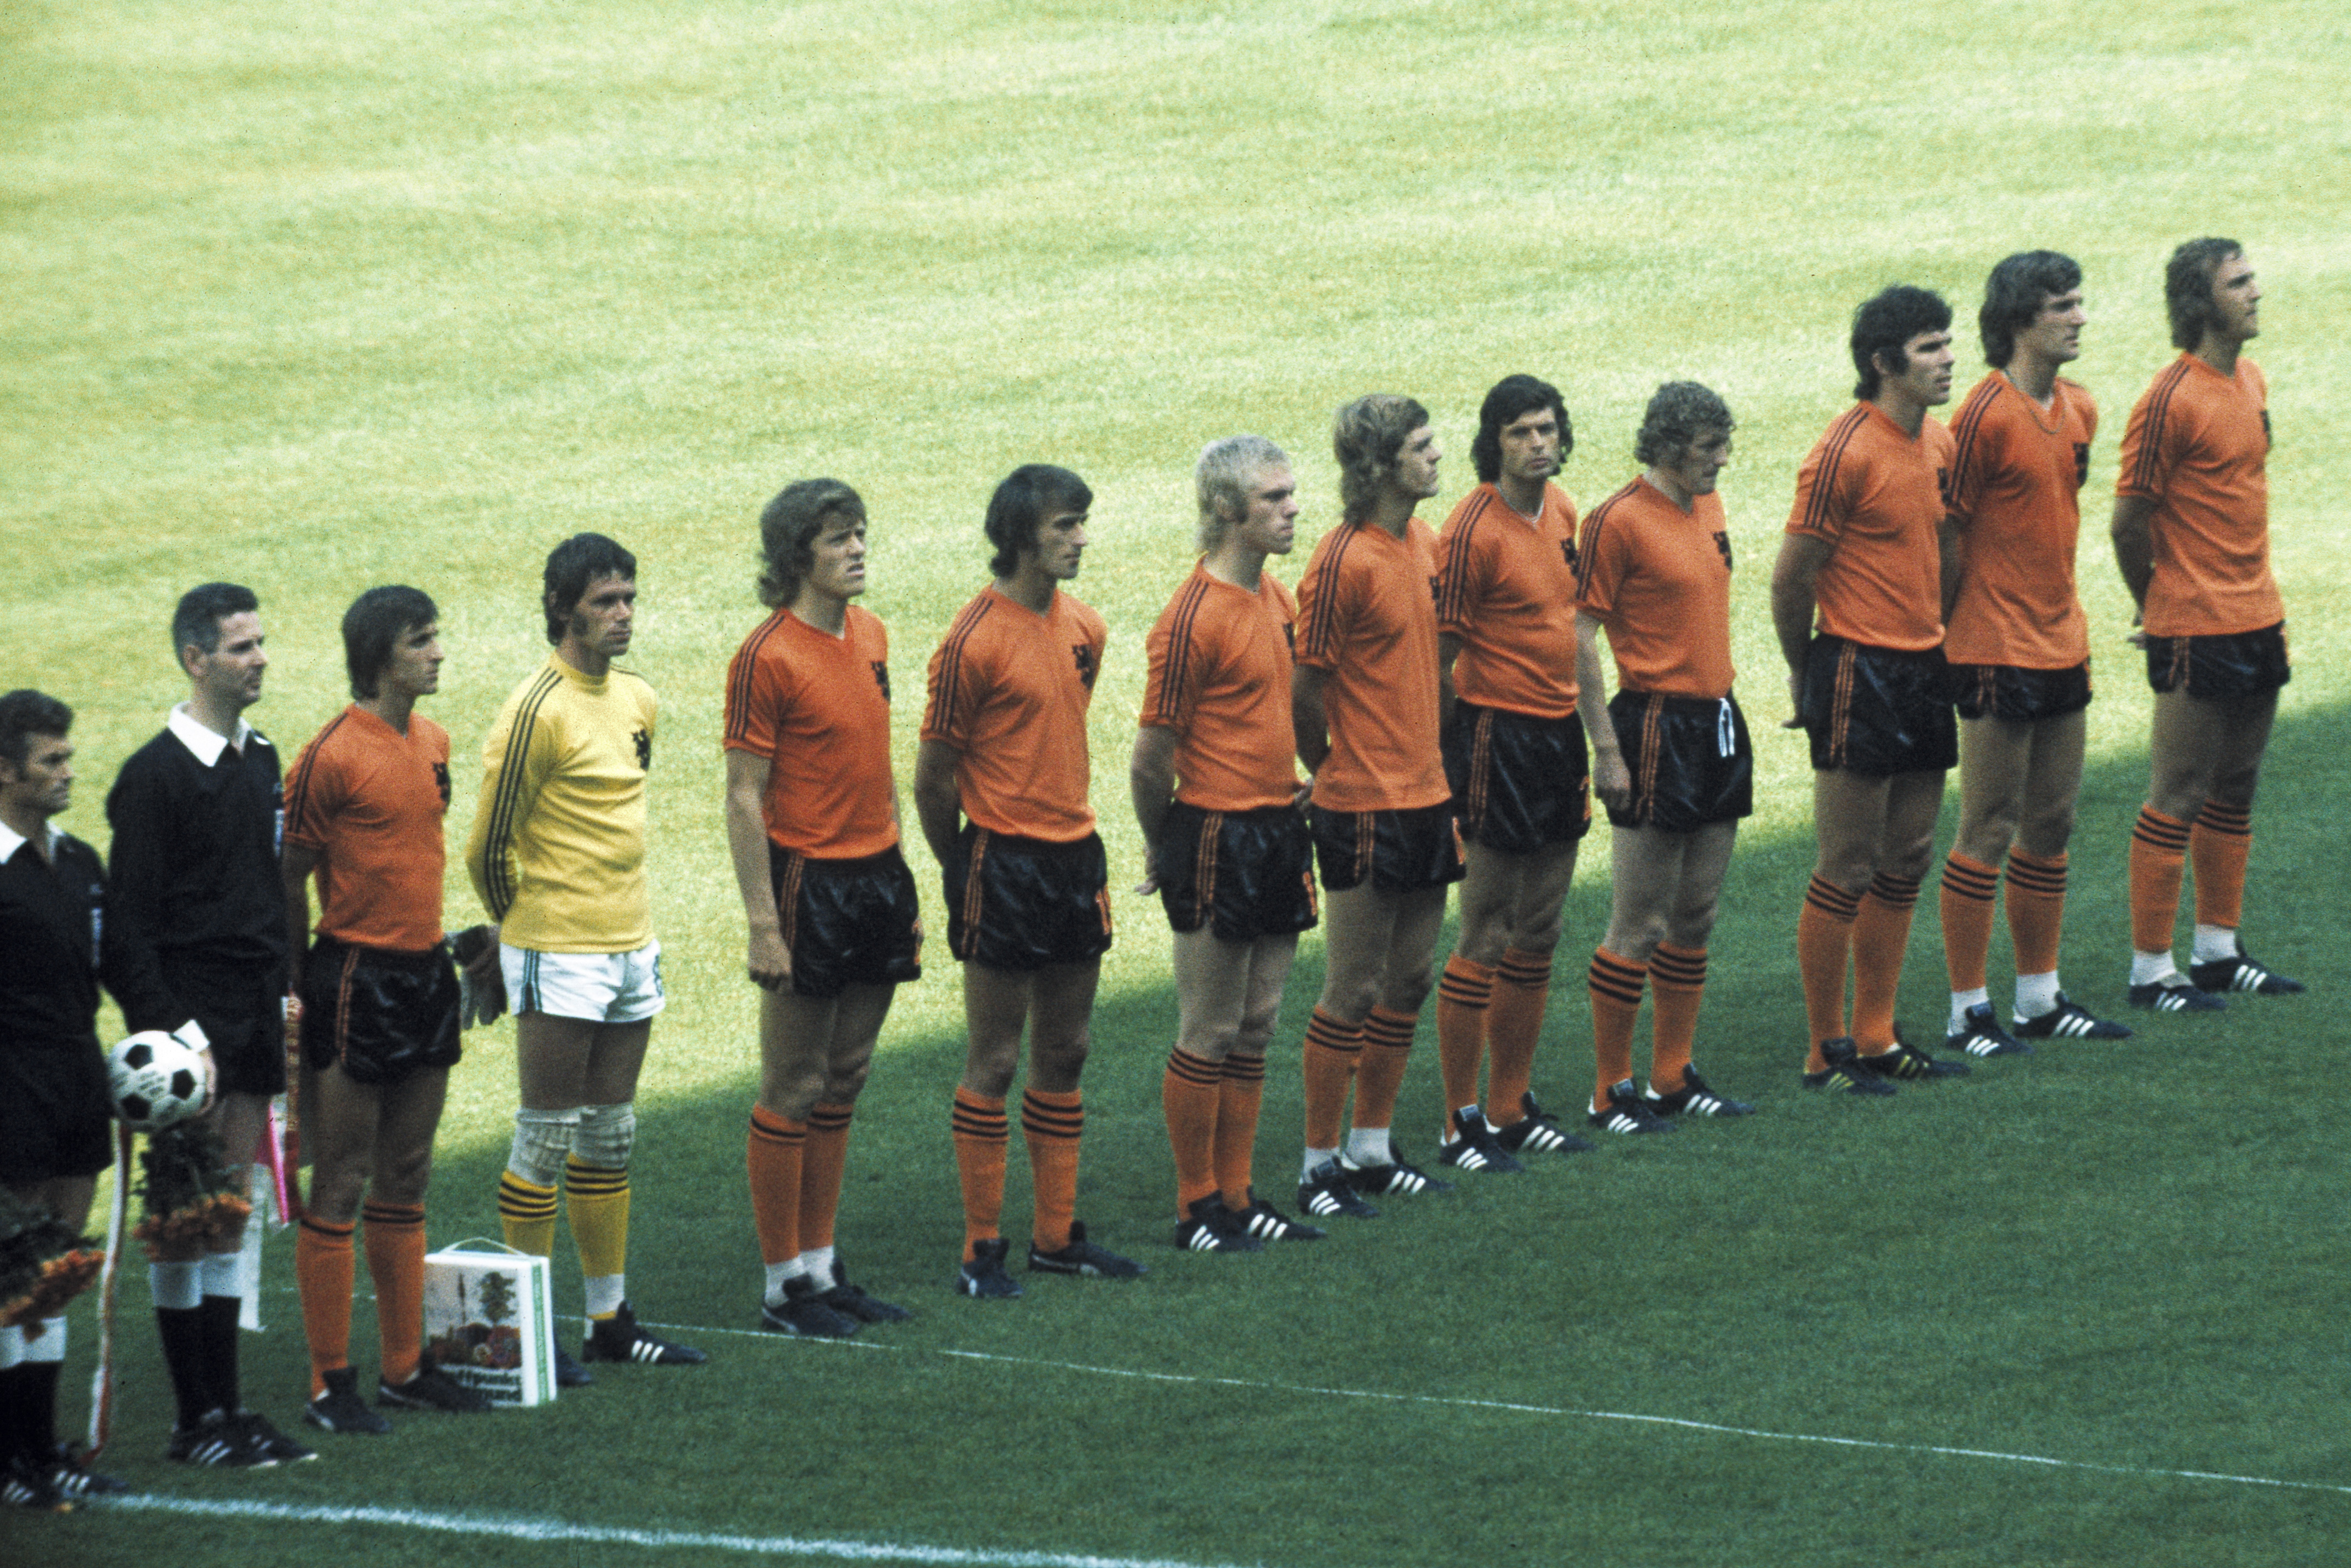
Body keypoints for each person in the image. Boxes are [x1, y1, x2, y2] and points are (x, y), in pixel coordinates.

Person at [468, 534, 704, 1379]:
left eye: (630, 599)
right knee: (544, 1137)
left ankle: (609, 1320)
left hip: (631, 942)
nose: (624, 615)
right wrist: (518, 932)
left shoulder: (636, 699)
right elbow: (488, 850)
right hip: (558, 948)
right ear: (565, 610)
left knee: (610, 1136)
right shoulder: (537, 710)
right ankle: (528, 1328)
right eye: (606, 602)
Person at [916, 465, 1143, 1298]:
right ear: (1020, 537)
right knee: (996, 1056)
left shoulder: (1086, 627)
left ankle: (1056, 1237)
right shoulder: (972, 641)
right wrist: (962, 867)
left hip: (1075, 856)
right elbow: (934, 778)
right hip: (1002, 861)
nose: (1081, 539)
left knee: (1068, 1047)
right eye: (1064, 527)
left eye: (1082, 523)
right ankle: (983, 1248)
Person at [106, 583, 314, 1464]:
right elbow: (125, 929)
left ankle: (226, 1411)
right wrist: (173, 1035)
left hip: (254, 1018)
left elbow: (263, 893)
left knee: (232, 1212)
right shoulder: (152, 779)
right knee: (187, 1219)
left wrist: (284, 995)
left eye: (261, 642)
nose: (259, 657)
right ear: (196, 660)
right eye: (240, 647)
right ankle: (196, 1420)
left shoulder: (259, 758)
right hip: (194, 1032)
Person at [283, 587, 495, 1434]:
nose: (438, 652)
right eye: (421, 640)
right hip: (354, 980)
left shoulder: (434, 740)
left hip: (424, 975)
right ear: (380, 658)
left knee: (407, 1174)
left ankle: (405, 1367)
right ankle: (329, 1381)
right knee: (339, 1177)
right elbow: (285, 879)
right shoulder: (329, 756)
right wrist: (296, 990)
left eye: (436, 635)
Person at [724, 481, 921, 1334]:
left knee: (847, 1075)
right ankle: (782, 1287)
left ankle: (821, 1263)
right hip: (809, 883)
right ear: (797, 554)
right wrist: (765, 923)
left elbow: (877, 765)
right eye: (840, 538)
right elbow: (742, 797)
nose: (858, 549)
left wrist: (903, 877)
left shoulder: (871, 635)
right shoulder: (766, 656)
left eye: (861, 535)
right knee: (793, 1083)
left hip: (877, 874)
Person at [1771, 289, 1972, 1096]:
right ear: (1884, 363)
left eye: (1948, 343)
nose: (1948, 358)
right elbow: (1792, 579)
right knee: (1846, 865)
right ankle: (1827, 1051)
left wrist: (1940, 630)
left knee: (1909, 856)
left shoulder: (1939, 443)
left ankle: (1878, 1032)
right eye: (1929, 348)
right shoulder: (1843, 453)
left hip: (1924, 665)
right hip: (1857, 668)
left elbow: (1948, 542)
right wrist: (1804, 669)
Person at [1131, 437, 1326, 1253]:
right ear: (1225, 510)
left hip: (1280, 826)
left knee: (1258, 1023)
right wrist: (1162, 847)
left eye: (1290, 495)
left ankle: (1240, 1196)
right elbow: (1150, 757)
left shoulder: (1276, 601)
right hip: (1215, 834)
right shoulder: (1189, 620)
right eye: (1273, 499)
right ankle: (1194, 1208)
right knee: (1209, 1028)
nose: (1291, 510)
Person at [1936, 253, 2131, 1052]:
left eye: (2079, 302)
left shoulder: (2079, 408)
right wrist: (1951, 627)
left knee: (2052, 821)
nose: (2079, 317)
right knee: (1988, 823)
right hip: (1992, 644)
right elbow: (1947, 531)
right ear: (2020, 320)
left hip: (2063, 640)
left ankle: (2040, 998)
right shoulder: (1983, 414)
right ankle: (1967, 1008)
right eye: (2062, 306)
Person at [2110, 238, 2301, 1009]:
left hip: (2259, 613)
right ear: (2200, 301)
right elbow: (2128, 522)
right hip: (2194, 622)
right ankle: (2152, 970)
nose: (2257, 292)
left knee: (2238, 785)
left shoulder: (2249, 379)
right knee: (2178, 791)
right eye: (2239, 283)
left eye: (2253, 276)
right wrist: (2155, 604)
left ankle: (2219, 951)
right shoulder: (2168, 400)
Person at [1290, 394, 1462, 1219]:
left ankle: (1371, 1145)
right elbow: (1304, 684)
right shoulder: (1340, 562)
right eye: (1422, 448)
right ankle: (1316, 1162)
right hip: (1361, 803)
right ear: (1380, 464)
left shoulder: (1423, 544)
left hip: (1428, 795)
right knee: (1352, 987)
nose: (1437, 457)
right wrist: (1329, 767)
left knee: (1410, 977)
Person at [1574, 383, 1759, 1126]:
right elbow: (1578, 635)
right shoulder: (1617, 521)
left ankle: (1672, 1077)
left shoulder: (1705, 506)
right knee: (1639, 923)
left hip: (1718, 720)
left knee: (1698, 913)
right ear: (1672, 447)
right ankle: (1610, 1089)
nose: (1722, 459)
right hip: (1653, 726)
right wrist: (1607, 751)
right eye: (1710, 448)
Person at [1430, 374, 1598, 1159]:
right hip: (1496, 737)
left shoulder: (1562, 511)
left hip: (1557, 735)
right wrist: (1441, 755)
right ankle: (1459, 1117)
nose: (1539, 444)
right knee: (1487, 929)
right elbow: (1438, 658)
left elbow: (1572, 630)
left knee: (1542, 927)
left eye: (1547, 429)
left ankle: (1509, 1107)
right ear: (1492, 442)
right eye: (1522, 433)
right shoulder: (1470, 532)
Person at [0, 691, 130, 1505]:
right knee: (10, 1272)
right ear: (5, 770)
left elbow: (122, 961)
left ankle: (42, 1451)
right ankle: (11, 1458)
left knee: (57, 1269)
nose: (67, 773)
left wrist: (177, 1032)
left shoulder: (78, 860)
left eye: (67, 758)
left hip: (80, 1073)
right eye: (50, 761)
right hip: (11, 1078)